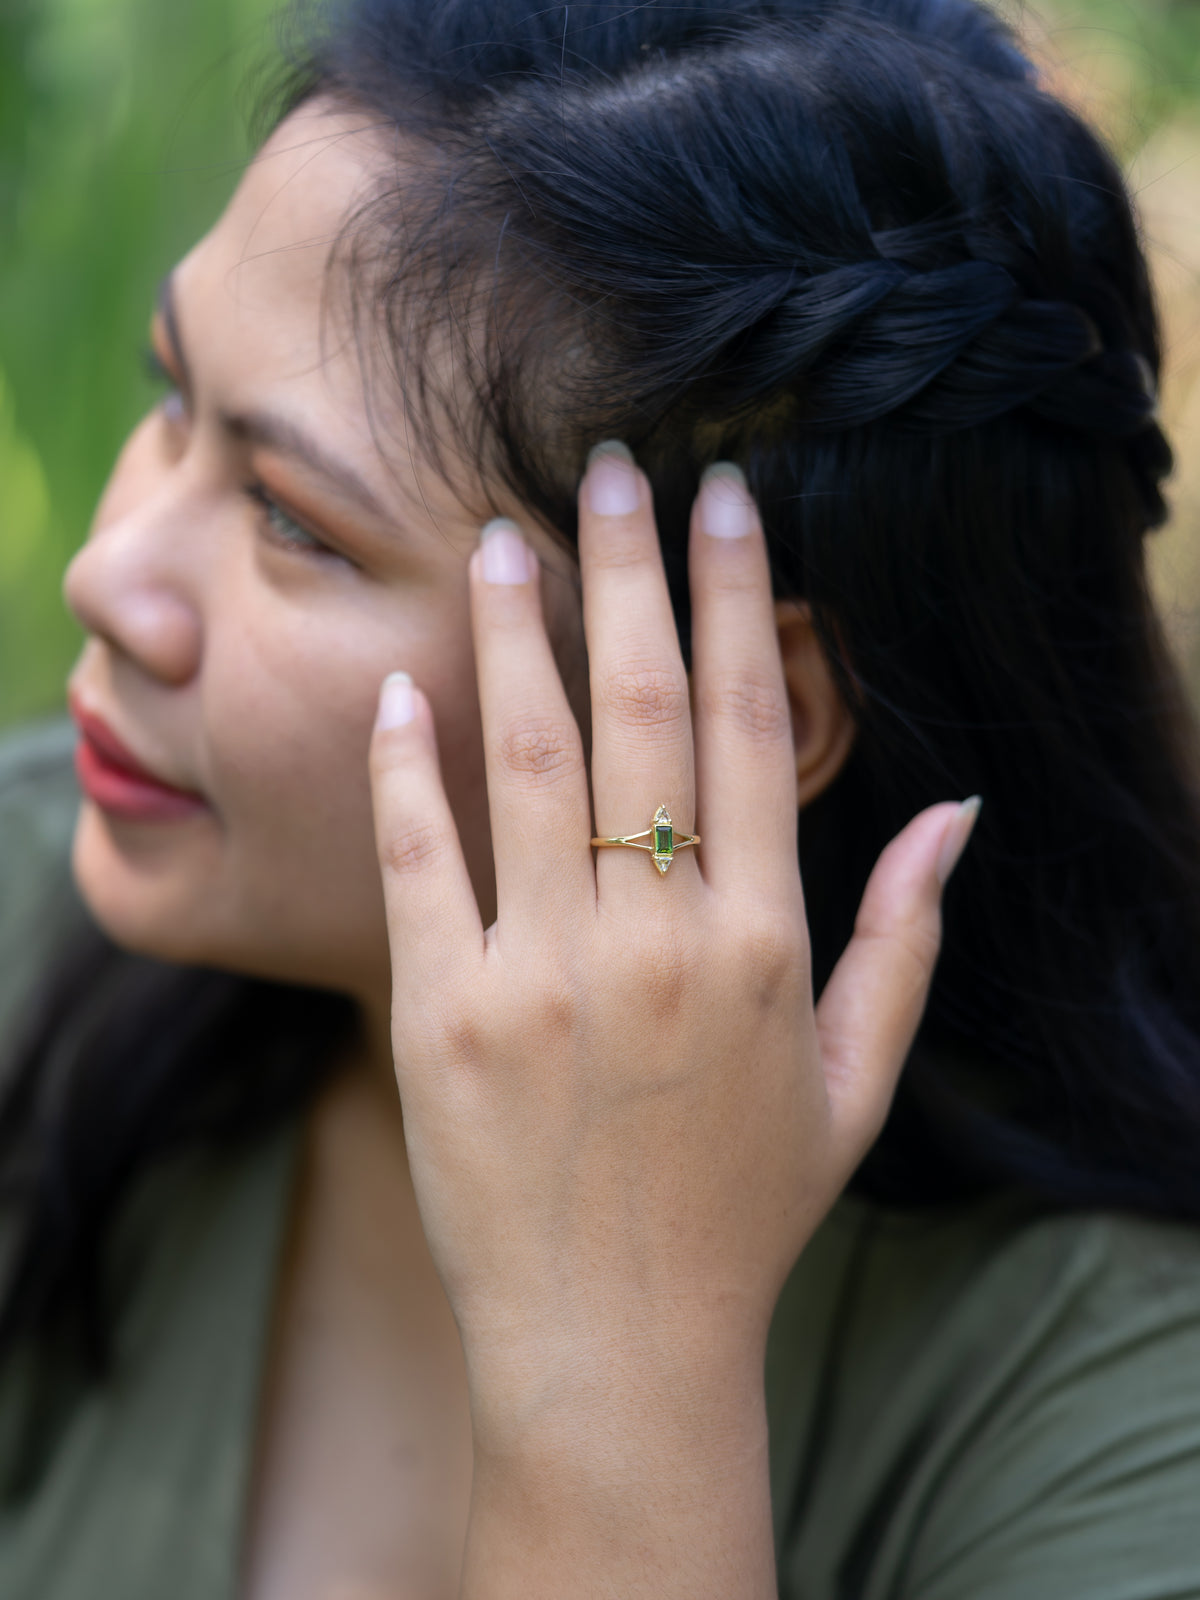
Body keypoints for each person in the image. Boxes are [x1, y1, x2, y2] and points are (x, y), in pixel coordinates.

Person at [2, 0, 1200, 1594]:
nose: (108, 572)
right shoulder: (24, 901)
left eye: (294, 523)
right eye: (172, 404)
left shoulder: (1117, 1412)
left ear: (738, 715)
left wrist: (631, 1369)